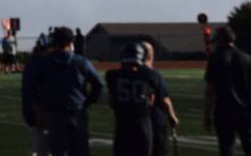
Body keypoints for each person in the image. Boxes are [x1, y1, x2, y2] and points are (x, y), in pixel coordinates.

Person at [23, 26, 103, 156]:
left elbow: (31, 86)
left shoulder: (44, 63)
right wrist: (88, 102)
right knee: (80, 150)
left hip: (53, 114)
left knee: (58, 150)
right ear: (71, 42)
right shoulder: (81, 62)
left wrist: (39, 107)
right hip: (77, 112)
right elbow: (98, 84)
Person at [203, 25, 251, 156]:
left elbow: (210, 90)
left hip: (224, 110)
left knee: (226, 148)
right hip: (246, 111)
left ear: (221, 39)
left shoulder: (215, 58)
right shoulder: (248, 59)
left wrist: (207, 114)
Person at [105, 42, 160, 156]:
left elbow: (111, 101)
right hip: (142, 124)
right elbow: (151, 101)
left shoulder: (113, 76)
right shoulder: (150, 75)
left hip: (123, 125)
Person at [139, 37, 179, 156]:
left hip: (136, 121)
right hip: (155, 120)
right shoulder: (154, 75)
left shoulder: (132, 73)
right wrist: (172, 116)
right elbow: (164, 99)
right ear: (150, 56)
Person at [21, 39, 50, 156]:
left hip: (29, 109)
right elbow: (37, 91)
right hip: (37, 110)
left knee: (39, 144)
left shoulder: (31, 62)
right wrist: (39, 112)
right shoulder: (42, 64)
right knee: (41, 147)